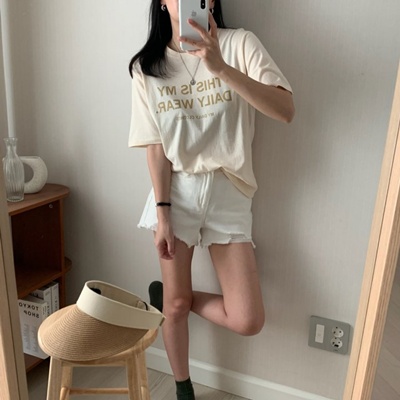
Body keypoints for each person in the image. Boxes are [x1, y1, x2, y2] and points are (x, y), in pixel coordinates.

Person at [128, 1, 295, 399]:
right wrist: (163, 214)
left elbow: (285, 110)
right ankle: (182, 387)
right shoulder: (147, 67)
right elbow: (155, 147)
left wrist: (220, 67)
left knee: (248, 319)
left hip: (229, 189)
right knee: (176, 307)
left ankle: (171, 297)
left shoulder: (239, 45)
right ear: (162, 2)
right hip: (176, 193)